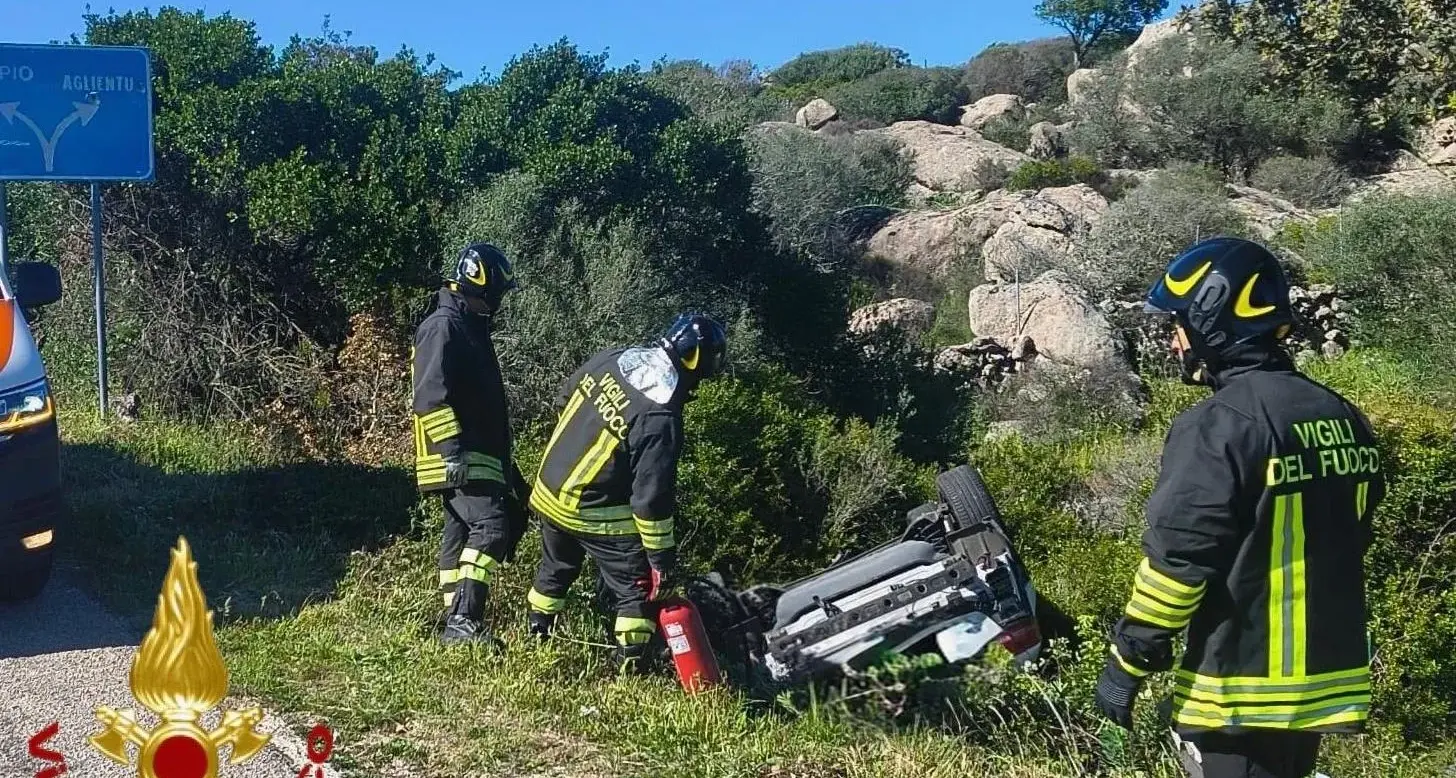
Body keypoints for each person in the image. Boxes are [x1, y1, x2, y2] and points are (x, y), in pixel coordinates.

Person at [1093, 236, 1386, 778]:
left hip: (1237, 693)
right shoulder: (1342, 415)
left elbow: (1178, 565)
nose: (1177, 344)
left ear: (1212, 323)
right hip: (1321, 688)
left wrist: (1127, 661)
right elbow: (1355, 534)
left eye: (1180, 325)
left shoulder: (1220, 425)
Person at [523, 313, 728, 670]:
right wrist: (660, 563)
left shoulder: (615, 358)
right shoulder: (660, 416)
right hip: (586, 508)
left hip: (548, 489)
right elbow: (650, 501)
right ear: (695, 365)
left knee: (555, 569)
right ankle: (629, 669)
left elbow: (565, 396)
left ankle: (536, 638)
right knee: (638, 591)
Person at [411, 242, 530, 645]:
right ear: (479, 286)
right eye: (495, 294)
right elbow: (429, 395)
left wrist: (508, 468)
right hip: (460, 457)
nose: (498, 303)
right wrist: (452, 451)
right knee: (492, 526)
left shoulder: (467, 325)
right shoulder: (444, 325)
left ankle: (452, 620)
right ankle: (463, 620)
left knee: (459, 535)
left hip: (480, 456)